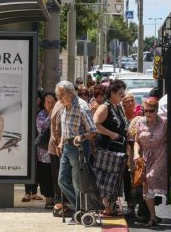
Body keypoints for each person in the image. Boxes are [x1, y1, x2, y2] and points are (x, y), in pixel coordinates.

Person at [55, 80, 96, 224]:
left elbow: (93, 131)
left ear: (71, 92)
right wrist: (60, 142)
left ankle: (80, 211)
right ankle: (80, 208)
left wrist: (82, 136)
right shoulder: (64, 106)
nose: (59, 99)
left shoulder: (82, 107)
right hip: (66, 146)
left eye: (61, 95)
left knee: (77, 182)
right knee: (62, 181)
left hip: (79, 147)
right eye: (58, 95)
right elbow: (65, 127)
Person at [93, 79, 128, 216]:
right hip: (106, 149)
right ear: (112, 93)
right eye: (120, 94)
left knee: (115, 179)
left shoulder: (118, 107)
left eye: (123, 94)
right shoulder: (105, 107)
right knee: (106, 178)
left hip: (117, 149)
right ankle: (106, 207)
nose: (122, 96)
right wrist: (111, 133)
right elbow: (95, 124)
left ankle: (111, 207)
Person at [133, 97, 167, 227]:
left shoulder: (164, 123)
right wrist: (136, 153)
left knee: (149, 177)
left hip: (160, 155)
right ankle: (153, 216)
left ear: (157, 110)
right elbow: (136, 141)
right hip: (145, 156)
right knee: (146, 184)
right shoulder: (139, 122)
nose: (148, 113)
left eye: (151, 111)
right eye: (145, 110)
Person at [35, 92, 56, 209]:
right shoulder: (41, 115)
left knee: (55, 176)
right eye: (48, 102)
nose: (51, 104)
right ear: (43, 103)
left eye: (53, 101)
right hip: (44, 152)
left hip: (57, 150)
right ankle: (48, 199)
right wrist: (51, 116)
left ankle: (56, 198)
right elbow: (41, 128)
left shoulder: (59, 113)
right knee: (45, 176)